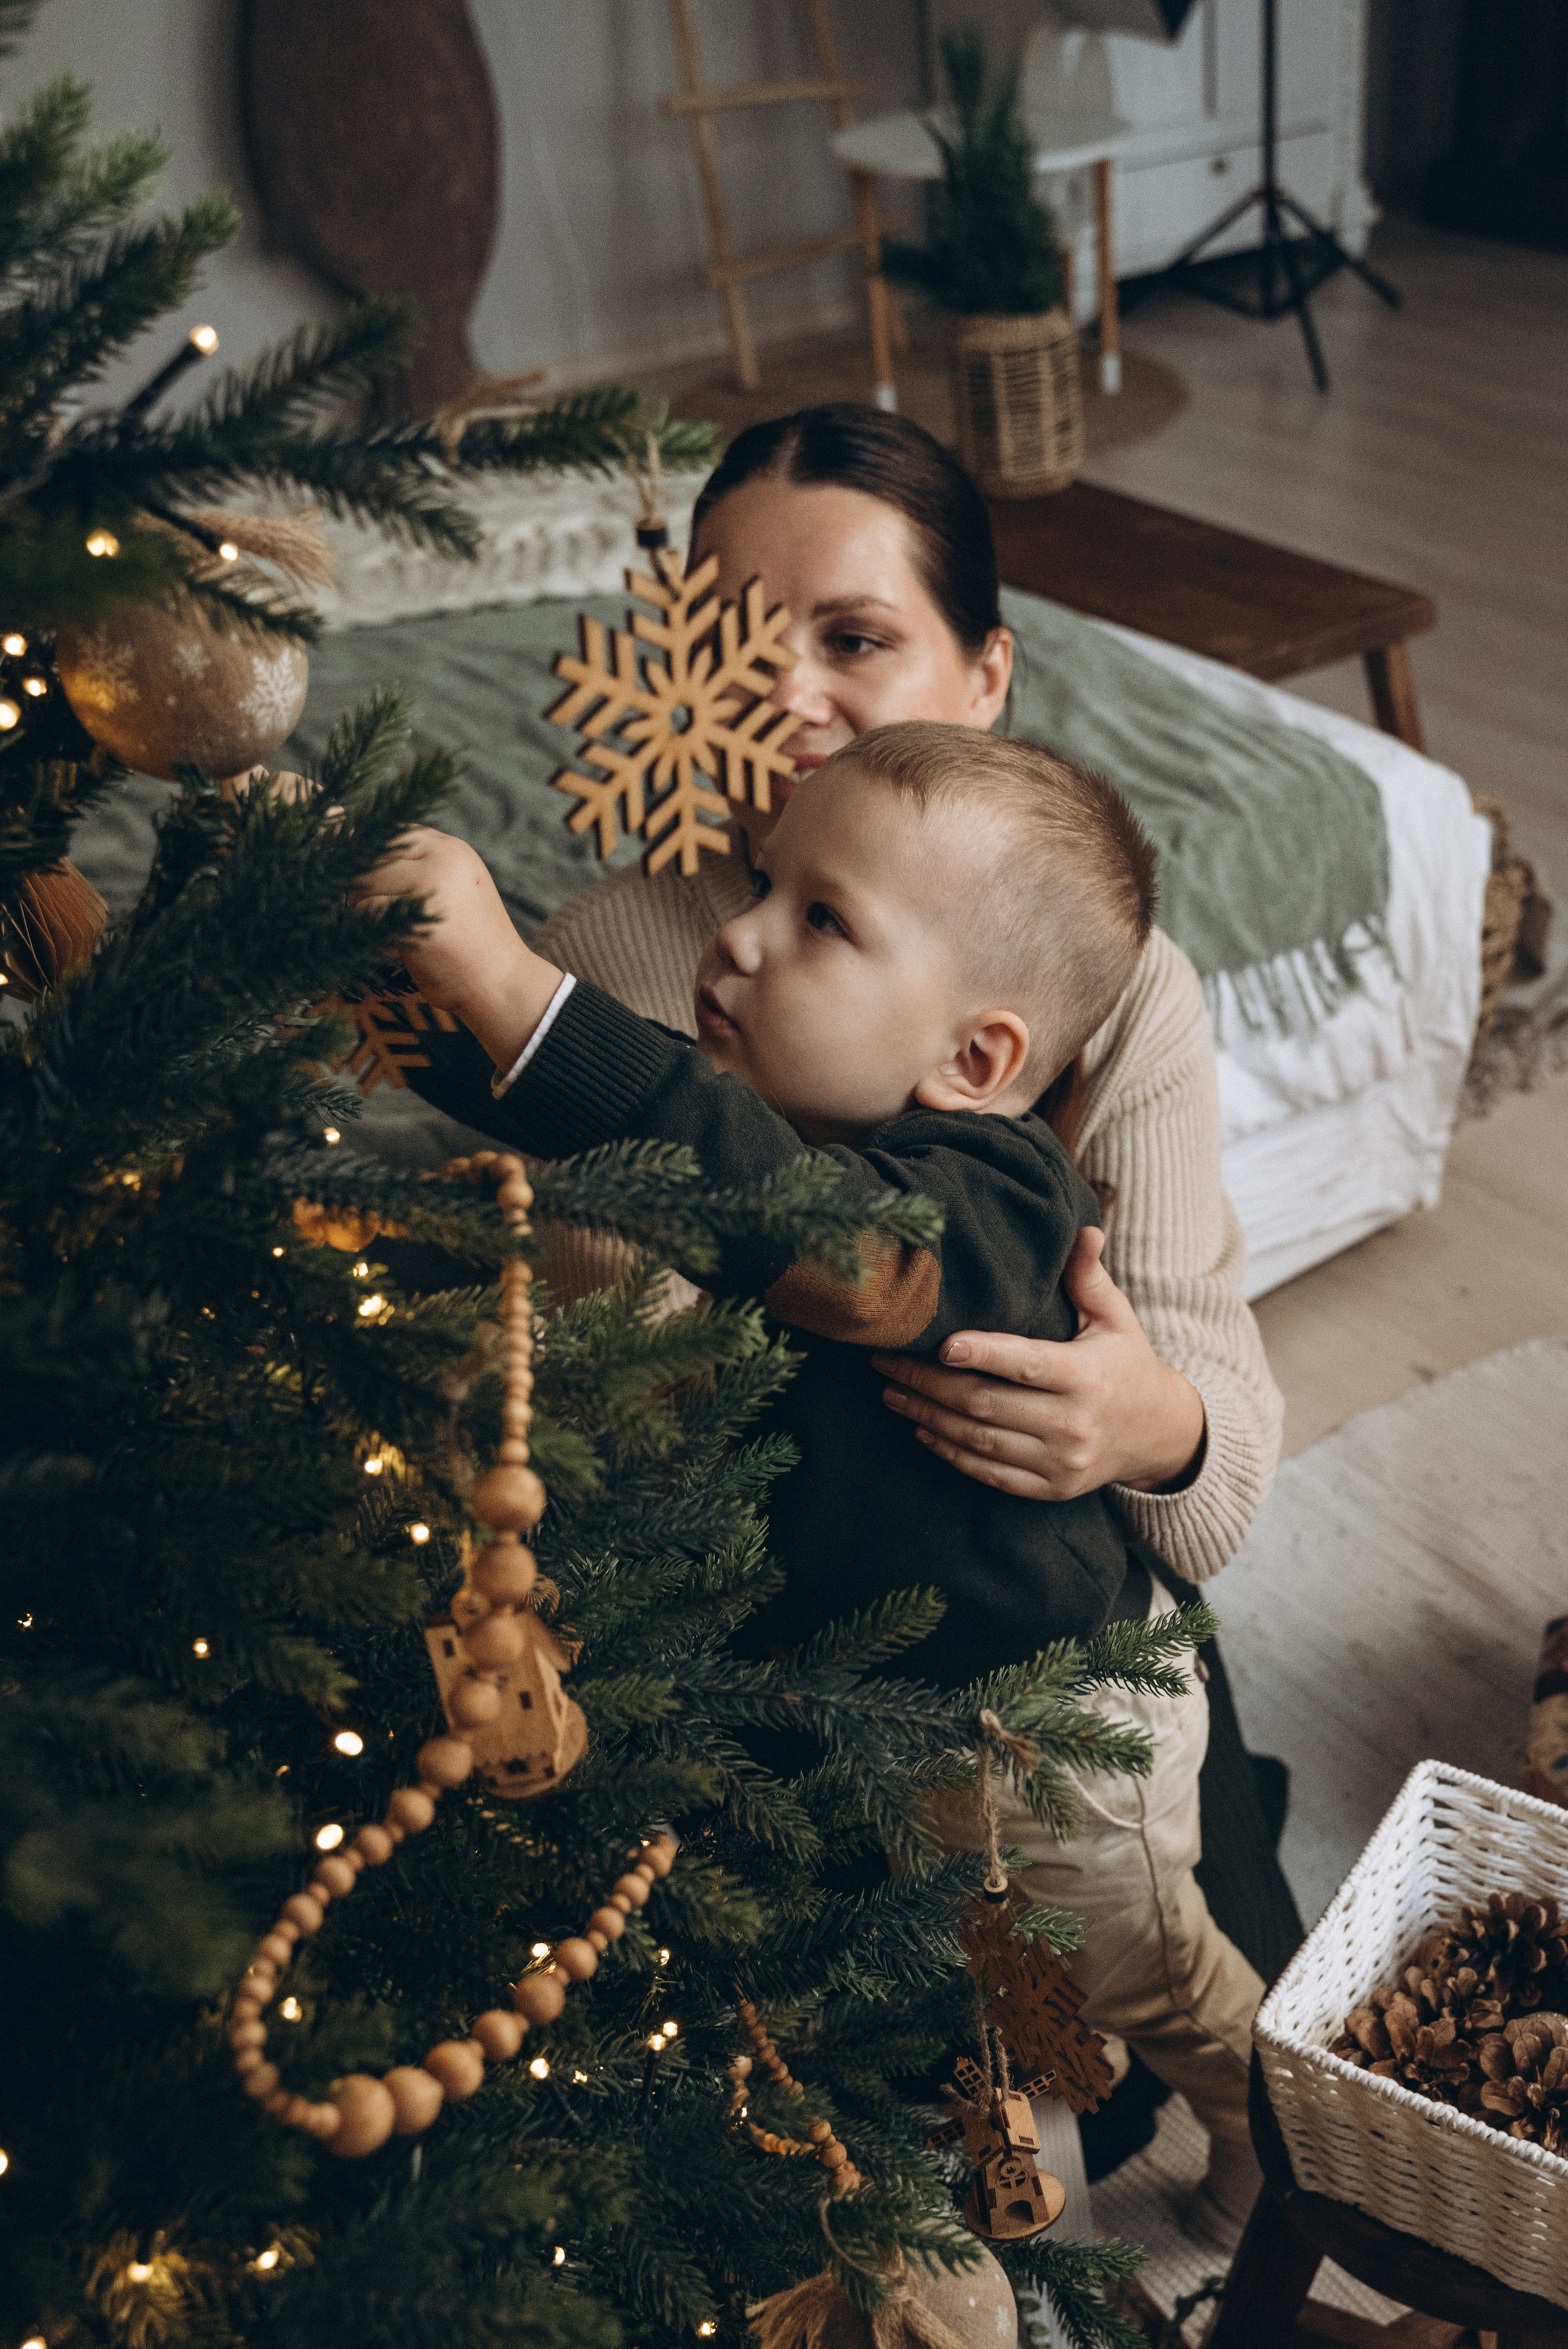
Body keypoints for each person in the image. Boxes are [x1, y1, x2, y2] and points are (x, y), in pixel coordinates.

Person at [355, 721, 1267, 2245]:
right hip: (867, 1689)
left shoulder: (991, 1191)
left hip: (1047, 1735)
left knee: (1142, 1969)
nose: (739, 936)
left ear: (974, 1060)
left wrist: (530, 1000)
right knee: (920, 1967)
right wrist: (419, 979)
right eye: (764, 885)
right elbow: (618, 1140)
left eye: (819, 921)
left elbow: (835, 1256)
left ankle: (1274, 2133)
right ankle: (987, 2117)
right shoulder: (792, 1125)